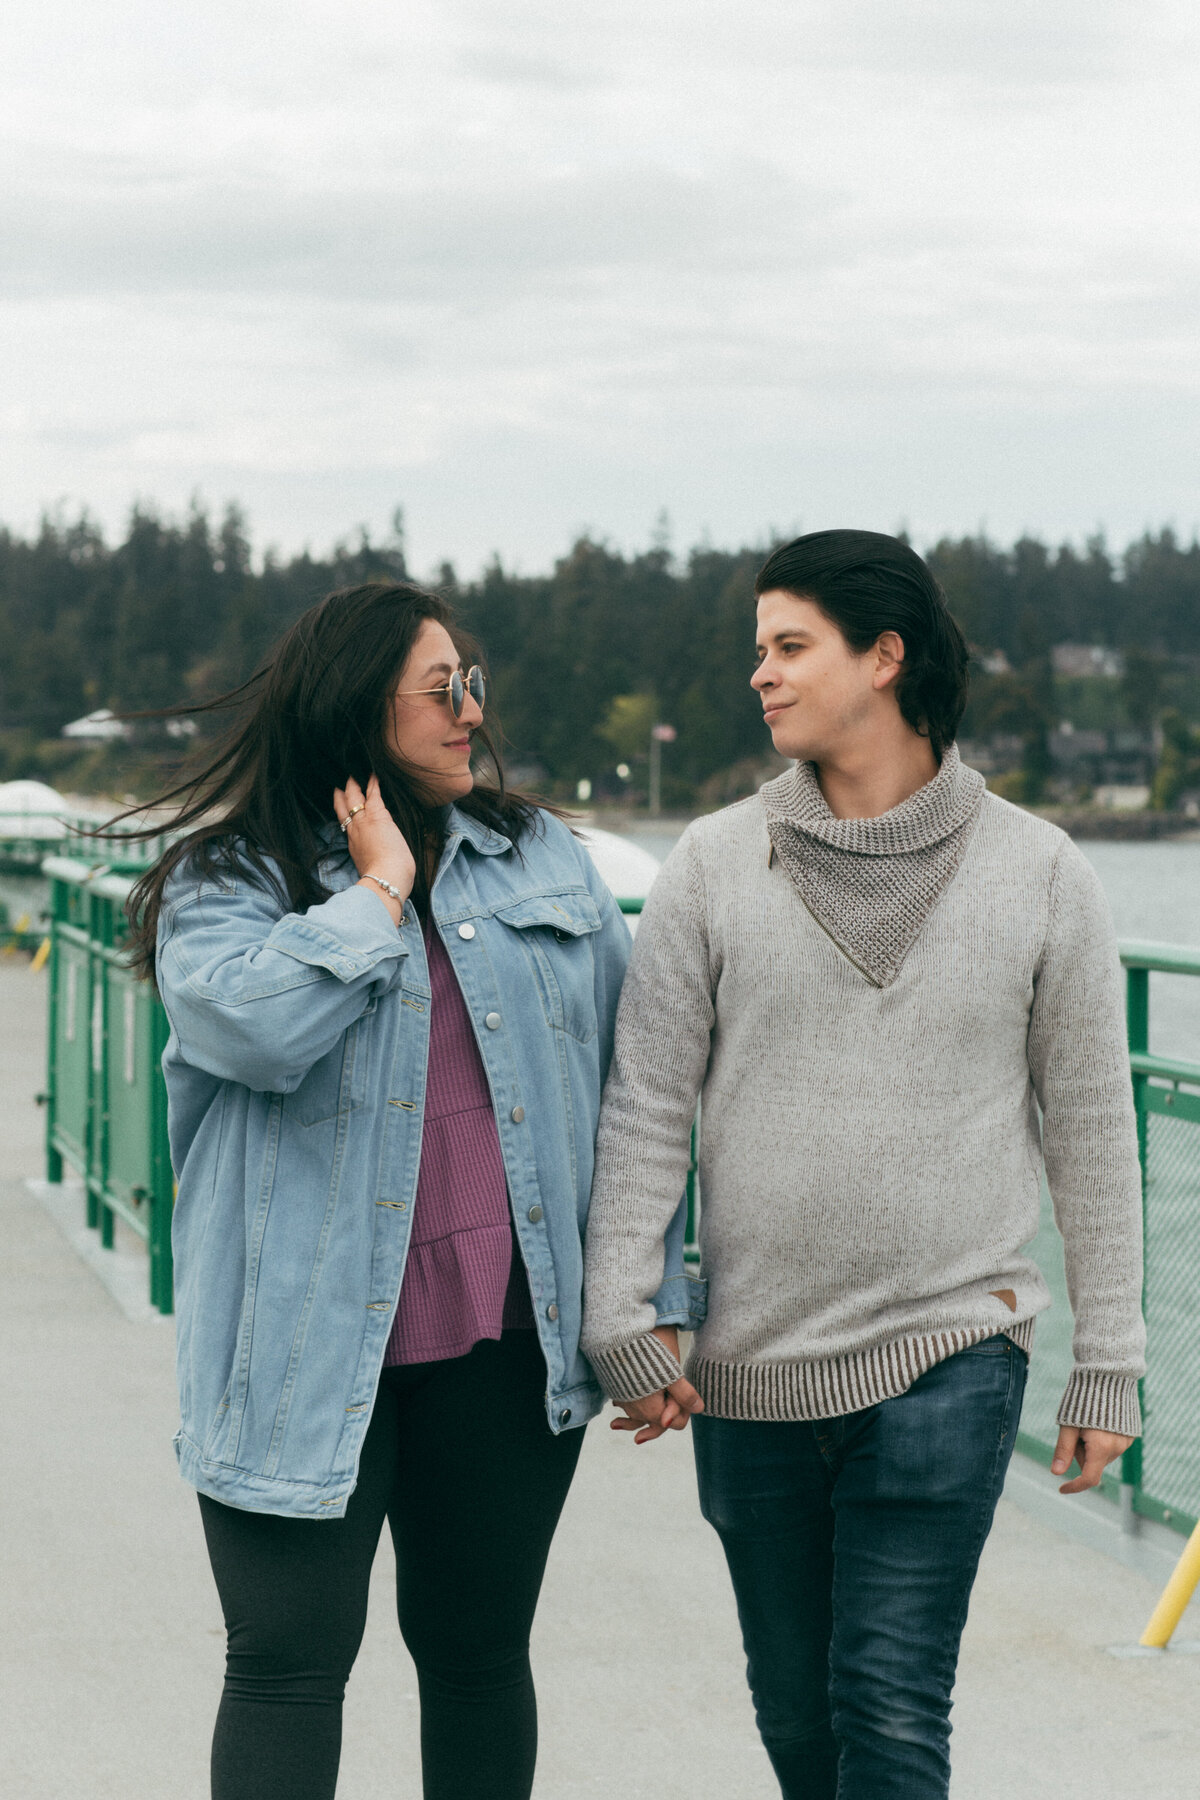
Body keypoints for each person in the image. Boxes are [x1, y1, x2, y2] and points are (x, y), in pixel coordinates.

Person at [581, 530, 1145, 1799]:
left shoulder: (1042, 873)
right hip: (749, 1370)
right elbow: (646, 1111)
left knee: (888, 1712)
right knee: (799, 1721)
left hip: (952, 1351)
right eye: (759, 650)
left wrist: (1108, 1365)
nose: (761, 676)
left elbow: (1095, 1135)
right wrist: (626, 1317)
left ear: (884, 658)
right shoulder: (715, 866)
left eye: (791, 647)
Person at [128, 580, 694, 1800]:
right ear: (354, 701)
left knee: (481, 1657)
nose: (469, 713)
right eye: (441, 690)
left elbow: (638, 1086)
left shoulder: (539, 853)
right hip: (296, 1341)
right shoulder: (231, 879)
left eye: (473, 684)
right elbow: (252, 1032)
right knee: (286, 1667)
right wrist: (376, 893)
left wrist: (656, 1298)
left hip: (502, 1332)